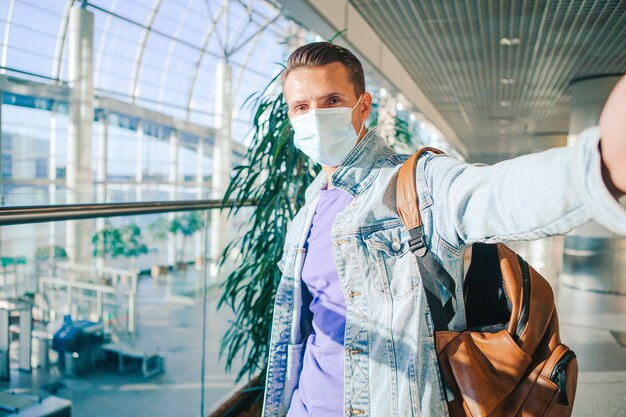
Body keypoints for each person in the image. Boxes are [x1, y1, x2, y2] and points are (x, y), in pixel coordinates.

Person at [261, 42, 626, 417]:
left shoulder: (418, 181)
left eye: (332, 100)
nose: (315, 116)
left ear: (364, 106)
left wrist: (598, 167)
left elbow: (493, 193)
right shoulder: (311, 205)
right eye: (301, 107)